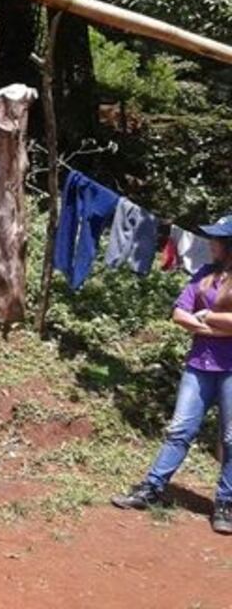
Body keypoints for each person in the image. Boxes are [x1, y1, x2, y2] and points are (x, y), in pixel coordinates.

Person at [111, 215, 232, 535]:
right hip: (199, 366)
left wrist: (208, 317)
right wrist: (212, 324)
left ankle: (225, 502)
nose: (212, 243)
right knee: (179, 429)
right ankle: (151, 488)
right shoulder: (204, 275)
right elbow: (179, 313)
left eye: (218, 239)